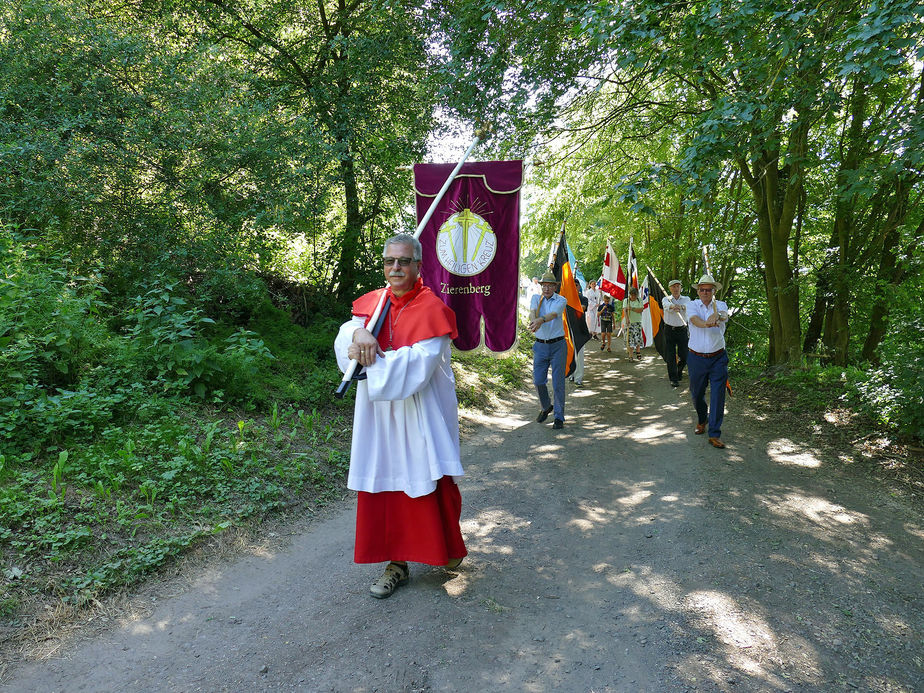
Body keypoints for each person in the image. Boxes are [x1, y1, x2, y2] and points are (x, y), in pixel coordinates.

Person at [333, 233, 467, 598]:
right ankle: (396, 565)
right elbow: (346, 336)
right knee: (384, 485)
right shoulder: (373, 304)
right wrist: (359, 332)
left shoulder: (432, 309)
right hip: (376, 417)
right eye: (391, 261)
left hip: (418, 414)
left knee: (429, 484)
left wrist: (370, 359)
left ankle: (446, 549)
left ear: (418, 266)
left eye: (404, 261)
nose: (396, 268)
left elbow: (416, 368)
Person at [686, 274, 730, 449]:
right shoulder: (692, 305)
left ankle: (714, 433)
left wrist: (717, 315)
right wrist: (706, 323)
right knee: (696, 393)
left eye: (708, 290)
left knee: (718, 395)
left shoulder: (720, 305)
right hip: (696, 357)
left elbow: (724, 315)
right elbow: (694, 320)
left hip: (718, 357)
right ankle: (702, 419)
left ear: (714, 291)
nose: (705, 292)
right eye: (702, 289)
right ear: (698, 291)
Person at [528, 271, 567, 429]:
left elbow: (553, 314)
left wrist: (540, 320)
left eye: (550, 286)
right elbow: (532, 312)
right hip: (540, 345)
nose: (546, 288)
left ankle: (559, 417)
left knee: (558, 383)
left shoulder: (561, 300)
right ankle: (546, 406)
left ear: (555, 287)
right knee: (538, 380)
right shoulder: (536, 298)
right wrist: (533, 321)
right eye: (544, 285)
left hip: (558, 345)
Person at [662, 279, 691, 388]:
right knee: (671, 355)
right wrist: (673, 306)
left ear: (681, 288)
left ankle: (679, 371)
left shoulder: (686, 299)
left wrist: (681, 307)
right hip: (669, 330)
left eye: (677, 286)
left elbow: (688, 307)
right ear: (670, 288)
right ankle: (673, 378)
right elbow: (666, 306)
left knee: (684, 355)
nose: (675, 289)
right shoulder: (666, 299)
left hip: (682, 329)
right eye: (673, 287)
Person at [622, 287, 644, 360]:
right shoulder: (626, 300)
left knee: (638, 338)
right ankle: (630, 355)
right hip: (629, 322)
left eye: (635, 295)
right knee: (630, 339)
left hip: (637, 321)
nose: (633, 297)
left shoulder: (639, 300)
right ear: (630, 295)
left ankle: (638, 351)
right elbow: (625, 310)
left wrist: (631, 308)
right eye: (632, 295)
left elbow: (640, 310)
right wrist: (627, 319)